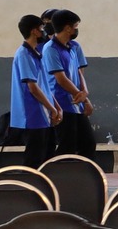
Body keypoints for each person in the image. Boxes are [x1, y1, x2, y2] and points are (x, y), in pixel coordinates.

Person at [40, 10, 94, 157]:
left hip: (76, 103)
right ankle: (58, 177)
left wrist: (85, 95)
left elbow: (78, 72)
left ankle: (84, 176)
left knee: (88, 143)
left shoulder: (72, 47)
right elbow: (61, 79)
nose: (77, 29)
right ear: (68, 28)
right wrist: (79, 94)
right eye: (75, 26)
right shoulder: (51, 49)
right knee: (67, 145)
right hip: (62, 103)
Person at [9, 15, 60, 167]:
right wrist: (51, 108)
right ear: (34, 31)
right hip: (33, 115)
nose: (44, 32)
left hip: (44, 115)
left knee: (47, 154)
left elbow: (43, 84)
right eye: (42, 28)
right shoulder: (24, 54)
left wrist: (56, 106)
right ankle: (31, 188)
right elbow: (33, 88)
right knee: (34, 158)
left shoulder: (36, 53)